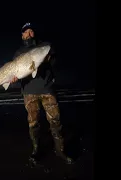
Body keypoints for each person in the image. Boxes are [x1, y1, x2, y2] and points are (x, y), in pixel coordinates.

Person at [10, 22, 74, 165]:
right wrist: (12, 79)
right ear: (22, 35)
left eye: (31, 30)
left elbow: (54, 63)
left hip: (47, 89)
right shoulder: (19, 52)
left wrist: (48, 58)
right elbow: (17, 74)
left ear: (34, 33)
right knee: (33, 123)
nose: (29, 33)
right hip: (29, 92)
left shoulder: (44, 46)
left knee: (55, 121)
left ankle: (61, 150)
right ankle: (36, 149)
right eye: (25, 31)